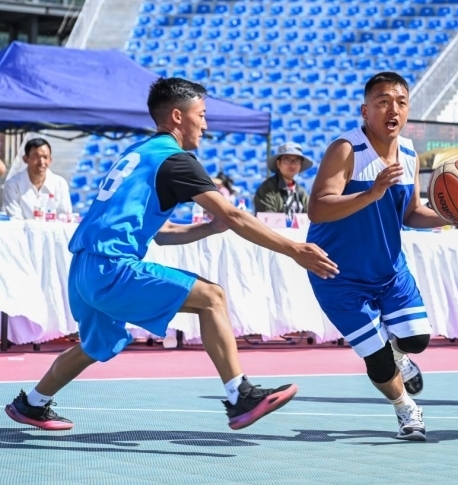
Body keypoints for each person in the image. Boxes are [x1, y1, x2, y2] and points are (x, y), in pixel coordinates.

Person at [4, 78, 338, 432]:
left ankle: (31, 403)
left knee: (96, 343)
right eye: (202, 115)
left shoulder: (138, 153)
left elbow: (163, 234)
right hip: (110, 267)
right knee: (212, 297)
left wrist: (210, 228)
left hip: (83, 269)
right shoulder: (177, 160)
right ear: (178, 116)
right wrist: (295, 249)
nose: (205, 125)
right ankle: (240, 395)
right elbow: (235, 215)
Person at [306, 72, 450, 441]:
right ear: (365, 111)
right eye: (383, 102)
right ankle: (406, 409)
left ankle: (400, 355)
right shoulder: (346, 150)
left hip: (388, 269)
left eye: (401, 102)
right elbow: (318, 209)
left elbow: (411, 213)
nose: (393, 110)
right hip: (338, 274)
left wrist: (450, 216)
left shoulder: (409, 153)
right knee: (379, 360)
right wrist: (371, 192)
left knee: (417, 339)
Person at [2, 138, 73, 220]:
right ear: (25, 159)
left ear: (50, 160)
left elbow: (65, 217)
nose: (41, 162)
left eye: (45, 157)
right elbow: (15, 219)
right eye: (36, 157)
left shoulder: (60, 184)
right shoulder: (12, 185)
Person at [254, 142, 311, 219]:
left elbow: (311, 216)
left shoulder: (301, 192)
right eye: (287, 160)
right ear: (278, 164)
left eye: (297, 161)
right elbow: (267, 218)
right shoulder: (267, 189)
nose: (292, 165)